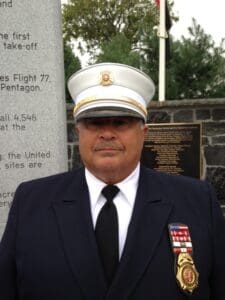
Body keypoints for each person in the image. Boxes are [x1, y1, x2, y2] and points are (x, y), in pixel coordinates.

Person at [0, 63, 225, 300]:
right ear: (79, 132)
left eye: (120, 122)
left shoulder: (197, 202)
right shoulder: (32, 202)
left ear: (143, 133)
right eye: (95, 123)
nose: (107, 133)